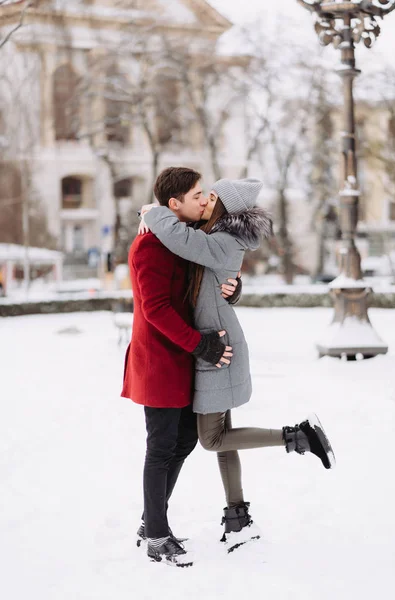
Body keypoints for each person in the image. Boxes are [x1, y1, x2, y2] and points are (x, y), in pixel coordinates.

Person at [141, 177, 336, 550]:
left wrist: (153, 212)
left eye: (210, 196)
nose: (204, 200)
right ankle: (238, 518)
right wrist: (233, 286)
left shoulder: (222, 241)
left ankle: (297, 436)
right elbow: (207, 268)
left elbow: (186, 242)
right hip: (213, 344)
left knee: (211, 438)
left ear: (224, 208)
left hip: (218, 349)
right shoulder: (215, 237)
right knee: (223, 434)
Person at [121, 167, 241, 567]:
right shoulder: (150, 247)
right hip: (159, 361)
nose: (204, 200)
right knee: (160, 448)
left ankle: (149, 522)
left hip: (183, 359)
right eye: (197, 195)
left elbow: (205, 283)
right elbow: (155, 308)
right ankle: (155, 534)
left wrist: (233, 287)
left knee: (185, 440)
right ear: (174, 205)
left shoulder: (183, 241)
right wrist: (200, 345)